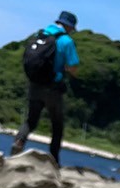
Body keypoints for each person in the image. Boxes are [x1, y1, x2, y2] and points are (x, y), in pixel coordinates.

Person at [10, 12, 80, 168]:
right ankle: (54, 161)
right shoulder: (66, 41)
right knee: (57, 125)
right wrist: (67, 70)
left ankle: (18, 142)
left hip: (35, 84)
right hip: (53, 88)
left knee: (30, 120)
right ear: (69, 26)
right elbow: (73, 67)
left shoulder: (40, 34)